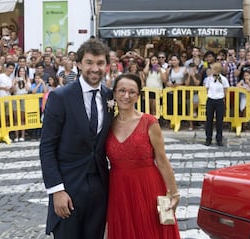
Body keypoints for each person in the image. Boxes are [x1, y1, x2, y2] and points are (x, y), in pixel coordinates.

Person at [40, 39, 113, 239]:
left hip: (99, 188)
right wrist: (56, 190)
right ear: (79, 64)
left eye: (100, 63)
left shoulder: (109, 96)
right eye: (89, 62)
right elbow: (47, 147)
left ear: (106, 65)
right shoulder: (60, 97)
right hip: (68, 187)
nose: (95, 68)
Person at [106, 73, 180, 238]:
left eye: (132, 92)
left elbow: (162, 161)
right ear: (115, 93)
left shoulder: (149, 122)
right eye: (122, 91)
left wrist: (174, 193)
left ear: (138, 96)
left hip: (148, 187)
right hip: (119, 189)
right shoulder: (107, 124)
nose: (126, 96)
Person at [204, 63, 230, 146]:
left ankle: (219, 138)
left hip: (219, 101)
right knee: (209, 120)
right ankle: (208, 138)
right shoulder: (209, 79)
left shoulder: (224, 79)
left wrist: (221, 97)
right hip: (211, 100)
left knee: (219, 121)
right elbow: (207, 89)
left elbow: (225, 89)